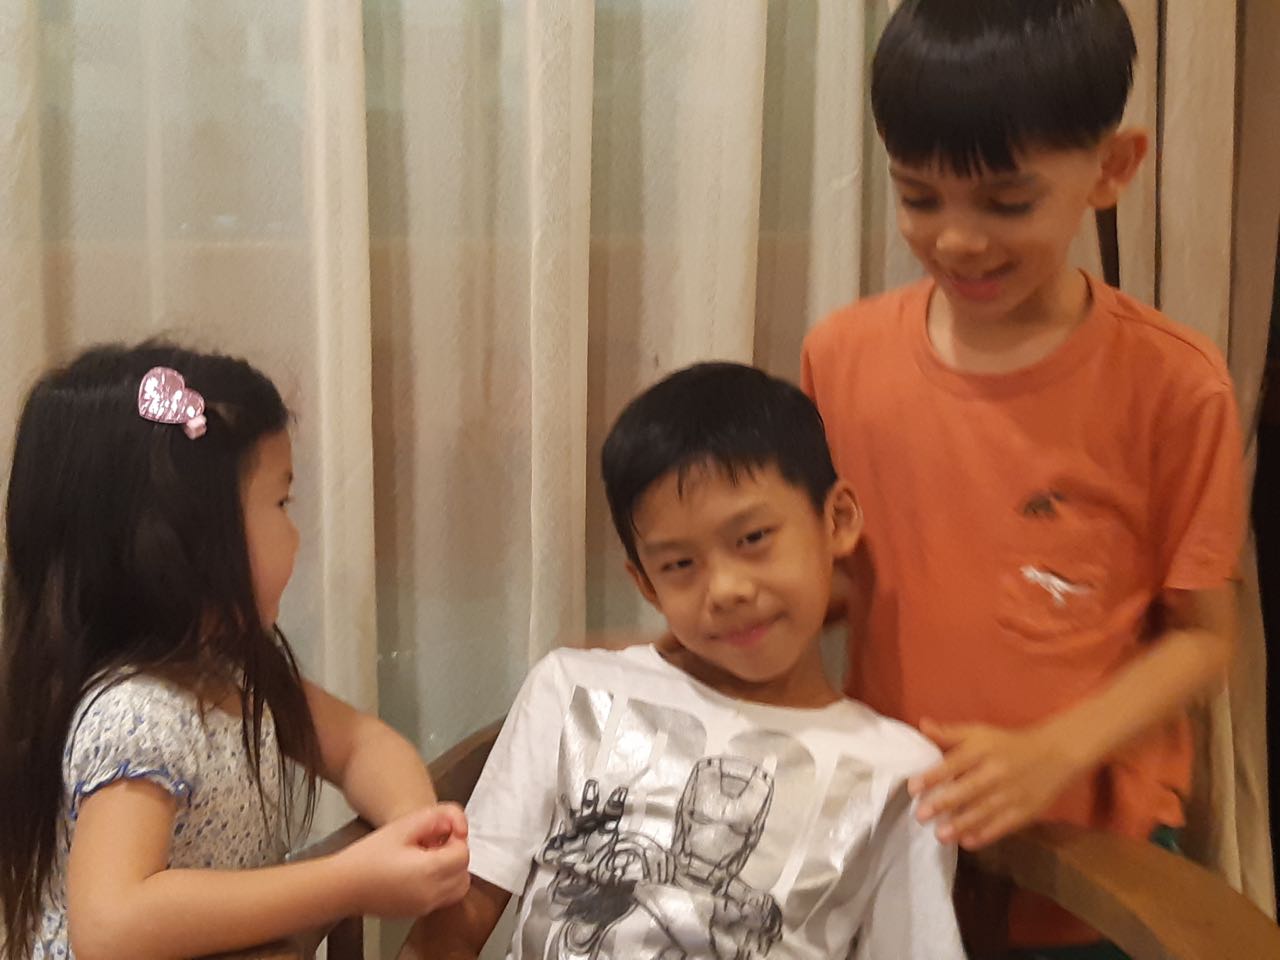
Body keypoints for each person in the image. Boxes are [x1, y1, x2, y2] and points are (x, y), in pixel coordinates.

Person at [801, 1, 1243, 954]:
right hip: (898, 837)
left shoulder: (1175, 385)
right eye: (920, 198)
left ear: (1113, 168)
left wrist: (1053, 754)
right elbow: (846, 577)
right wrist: (703, 636)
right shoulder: (840, 358)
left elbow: (1206, 639)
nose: (958, 240)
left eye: (1006, 203)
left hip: (1093, 858)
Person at [400, 362, 965, 959]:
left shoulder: (901, 773)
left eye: (753, 539)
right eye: (679, 565)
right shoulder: (571, 689)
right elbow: (458, 917)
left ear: (838, 521)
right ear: (646, 584)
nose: (725, 590)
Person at [0, 343, 471, 960]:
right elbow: (111, 924)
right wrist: (351, 879)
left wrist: (415, 827)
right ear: (189, 537)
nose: (295, 532)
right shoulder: (138, 714)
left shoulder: (235, 669)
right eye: (280, 503)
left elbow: (360, 744)